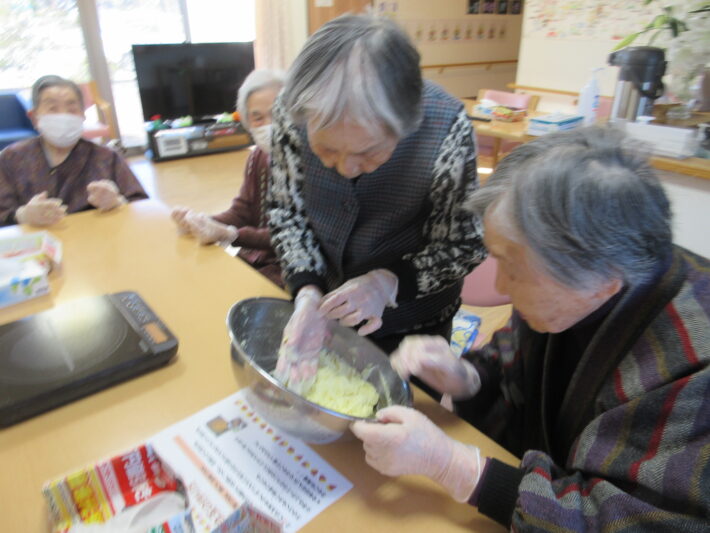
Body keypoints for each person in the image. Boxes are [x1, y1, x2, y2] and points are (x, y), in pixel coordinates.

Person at [351, 127, 710, 530]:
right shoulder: (581, 284)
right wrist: (467, 379)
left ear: (603, 280)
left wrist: (455, 467)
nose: (501, 286)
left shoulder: (694, 368)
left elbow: (635, 520)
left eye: (514, 268)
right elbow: (511, 365)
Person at [269, 14, 485, 388]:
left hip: (414, 328)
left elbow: (464, 243)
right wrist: (307, 292)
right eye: (326, 150)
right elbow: (287, 211)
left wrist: (386, 284)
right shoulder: (293, 112)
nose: (346, 169)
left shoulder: (447, 127)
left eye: (368, 152)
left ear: (407, 124)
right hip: (323, 313)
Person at [171, 69, 285, 288]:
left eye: (277, 113)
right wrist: (201, 222)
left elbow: (296, 234)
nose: (268, 124)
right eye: (258, 118)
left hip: (288, 269)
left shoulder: (311, 161)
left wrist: (231, 235)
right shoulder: (258, 156)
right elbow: (241, 211)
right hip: (255, 259)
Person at [0, 75, 147, 226]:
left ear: (83, 115)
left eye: (72, 109)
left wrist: (117, 202)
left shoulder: (107, 158)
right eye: (52, 109)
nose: (63, 116)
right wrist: (22, 215)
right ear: (34, 117)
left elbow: (141, 205)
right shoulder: (11, 158)